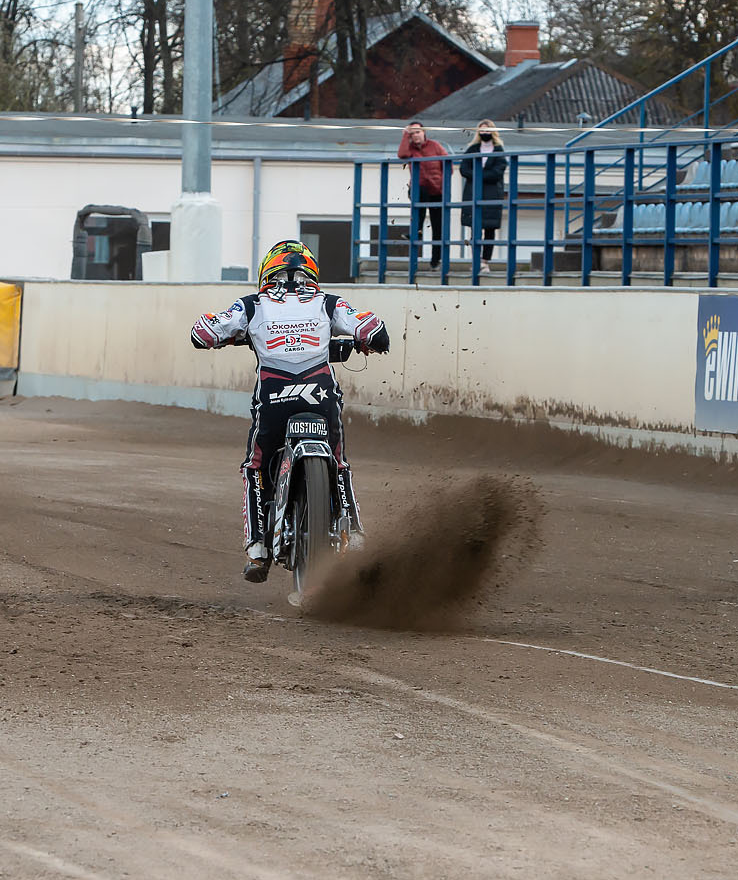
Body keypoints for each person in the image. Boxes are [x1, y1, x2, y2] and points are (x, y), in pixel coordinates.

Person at [189, 238, 391, 581]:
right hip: (320, 396)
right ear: (311, 272)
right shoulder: (328, 303)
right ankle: (354, 536)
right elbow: (374, 329)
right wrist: (364, 341)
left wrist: (224, 335)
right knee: (339, 463)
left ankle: (258, 550)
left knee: (255, 467)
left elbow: (202, 333)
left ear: (267, 272)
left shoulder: (252, 305)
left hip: (274, 398)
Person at [396, 121, 448, 271]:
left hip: (437, 190)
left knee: (437, 226)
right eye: (412, 133)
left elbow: (447, 164)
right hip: (420, 189)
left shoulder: (435, 146)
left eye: (417, 132)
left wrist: (444, 183)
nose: (415, 135)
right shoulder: (410, 148)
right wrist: (405, 136)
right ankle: (416, 231)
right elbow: (402, 154)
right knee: (417, 199)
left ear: (424, 132)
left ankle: (435, 261)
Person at [459, 121, 508, 268]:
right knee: (475, 229)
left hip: (492, 194)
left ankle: (485, 261)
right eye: (482, 131)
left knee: (489, 229)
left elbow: (498, 171)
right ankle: (476, 261)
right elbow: (464, 168)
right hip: (473, 194)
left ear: (493, 132)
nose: (485, 133)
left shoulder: (499, 150)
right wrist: (481, 175)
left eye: (487, 131)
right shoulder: (472, 149)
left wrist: (478, 175)